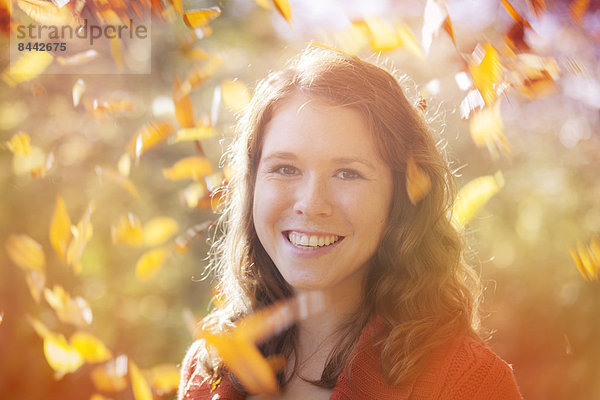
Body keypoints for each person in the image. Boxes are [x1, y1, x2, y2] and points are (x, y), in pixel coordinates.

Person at [177, 45, 522, 400]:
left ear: (401, 197)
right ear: (252, 186)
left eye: (347, 173)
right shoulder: (209, 366)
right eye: (285, 168)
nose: (311, 204)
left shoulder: (469, 383)